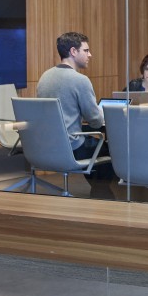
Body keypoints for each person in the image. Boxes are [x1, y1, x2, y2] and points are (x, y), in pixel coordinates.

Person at [35, 31, 114, 199]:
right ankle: (104, 195)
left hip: (46, 147)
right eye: (86, 50)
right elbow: (95, 121)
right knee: (110, 149)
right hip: (71, 148)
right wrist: (101, 113)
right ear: (73, 51)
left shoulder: (44, 77)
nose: (90, 55)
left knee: (94, 144)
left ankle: (101, 192)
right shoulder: (80, 80)